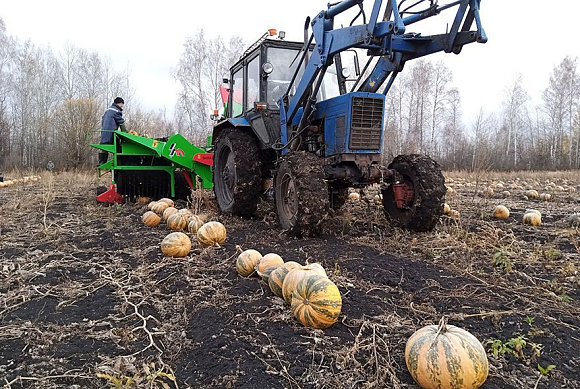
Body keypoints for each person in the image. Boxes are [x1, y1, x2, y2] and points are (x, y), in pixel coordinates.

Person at [98, 97, 128, 165]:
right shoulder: (116, 111)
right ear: (119, 103)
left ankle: (101, 163)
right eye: (122, 105)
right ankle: (120, 163)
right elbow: (121, 123)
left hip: (104, 133)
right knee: (119, 147)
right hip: (111, 134)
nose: (122, 106)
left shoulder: (107, 111)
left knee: (104, 147)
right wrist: (125, 133)